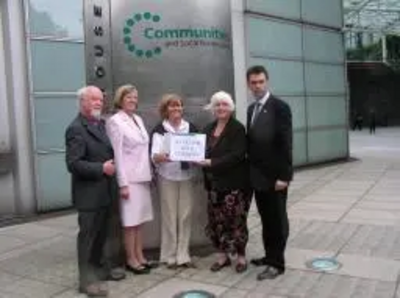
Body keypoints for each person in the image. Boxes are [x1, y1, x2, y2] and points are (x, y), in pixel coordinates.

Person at [65, 86, 125, 297]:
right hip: (89, 195)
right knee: (88, 239)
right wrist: (102, 168)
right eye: (93, 100)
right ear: (82, 102)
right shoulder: (76, 128)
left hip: (104, 192)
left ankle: (100, 270)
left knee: (101, 236)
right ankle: (86, 281)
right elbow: (73, 163)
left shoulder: (99, 124)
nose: (99, 103)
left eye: (100, 100)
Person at [246, 65, 293, 280]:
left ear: (267, 81)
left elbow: (286, 143)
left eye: (260, 81)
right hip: (258, 177)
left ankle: (277, 263)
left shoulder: (280, 107)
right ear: (249, 84)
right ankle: (268, 255)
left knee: (277, 220)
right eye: (253, 82)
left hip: (276, 178)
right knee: (266, 219)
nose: (257, 86)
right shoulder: (251, 109)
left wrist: (284, 176)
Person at [198, 91, 251, 273]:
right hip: (213, 186)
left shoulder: (237, 128)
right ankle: (222, 257)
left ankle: (241, 257)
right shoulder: (207, 128)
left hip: (234, 185)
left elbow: (237, 155)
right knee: (216, 222)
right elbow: (199, 150)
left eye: (225, 104)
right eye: (218, 104)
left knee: (236, 222)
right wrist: (194, 157)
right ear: (213, 108)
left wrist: (212, 162)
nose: (221, 108)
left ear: (231, 108)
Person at [106, 85, 154, 274]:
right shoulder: (115, 121)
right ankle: (131, 260)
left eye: (135, 97)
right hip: (129, 180)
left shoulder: (138, 119)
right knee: (130, 222)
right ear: (120, 99)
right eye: (129, 97)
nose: (133, 100)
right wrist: (122, 183)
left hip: (143, 177)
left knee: (140, 221)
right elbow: (117, 154)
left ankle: (140, 255)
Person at [150, 93, 198, 269]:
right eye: (172, 106)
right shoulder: (159, 130)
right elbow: (154, 156)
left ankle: (183, 255)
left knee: (185, 216)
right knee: (169, 216)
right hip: (167, 177)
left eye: (179, 105)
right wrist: (164, 157)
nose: (176, 109)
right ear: (165, 110)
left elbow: (199, 150)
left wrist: (196, 157)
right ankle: (169, 256)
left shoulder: (190, 127)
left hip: (186, 176)